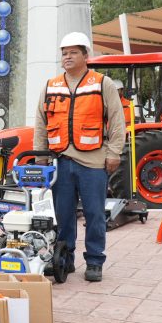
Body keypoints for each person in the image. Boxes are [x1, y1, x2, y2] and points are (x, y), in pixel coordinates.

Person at [34, 32, 126, 282]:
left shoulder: (101, 83)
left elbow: (117, 120)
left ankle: (95, 261)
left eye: (73, 52)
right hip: (61, 161)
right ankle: (65, 259)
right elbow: (41, 122)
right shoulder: (51, 85)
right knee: (63, 215)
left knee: (95, 213)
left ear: (86, 56)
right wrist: (40, 155)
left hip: (93, 162)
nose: (67, 57)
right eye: (64, 53)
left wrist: (114, 152)